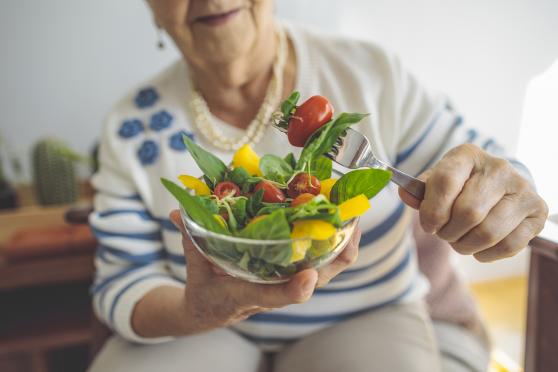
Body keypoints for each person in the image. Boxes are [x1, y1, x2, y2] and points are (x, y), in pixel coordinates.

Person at [87, 1, 548, 371]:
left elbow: (481, 161)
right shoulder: (130, 127)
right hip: (201, 328)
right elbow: (122, 284)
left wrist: (506, 189)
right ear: (151, 9)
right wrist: (201, 310)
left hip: (369, 316)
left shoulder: (368, 72)